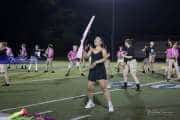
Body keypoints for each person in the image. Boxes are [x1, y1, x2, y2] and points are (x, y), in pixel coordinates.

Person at [84, 36, 114, 112]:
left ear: (101, 42)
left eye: (97, 40)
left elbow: (105, 58)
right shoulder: (91, 49)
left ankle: (110, 104)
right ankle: (91, 102)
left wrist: (97, 62)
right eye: (95, 39)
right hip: (92, 70)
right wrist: (83, 50)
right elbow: (86, 57)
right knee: (89, 87)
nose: (95, 41)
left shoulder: (103, 50)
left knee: (104, 88)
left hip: (100, 70)